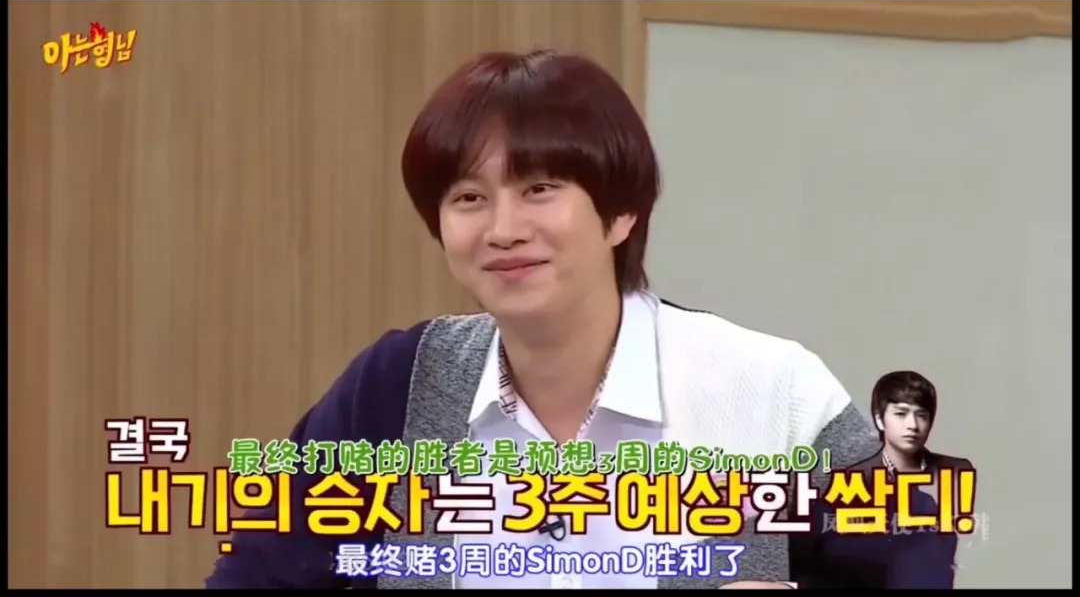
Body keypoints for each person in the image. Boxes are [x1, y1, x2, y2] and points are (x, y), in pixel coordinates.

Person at [205, 49, 891, 589]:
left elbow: (910, 563)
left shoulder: (771, 391)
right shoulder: (395, 387)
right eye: (469, 197)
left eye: (539, 189)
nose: (503, 229)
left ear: (621, 212)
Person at [790, 370, 974, 588]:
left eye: (921, 415)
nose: (912, 425)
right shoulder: (848, 483)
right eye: (901, 413)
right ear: (879, 419)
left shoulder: (953, 475)